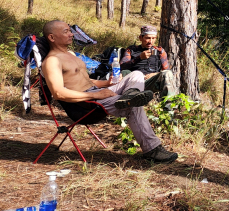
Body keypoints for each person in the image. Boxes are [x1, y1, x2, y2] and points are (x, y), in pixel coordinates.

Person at [41, 20, 178, 163]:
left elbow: (88, 81)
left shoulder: (70, 54)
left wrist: (107, 83)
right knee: (132, 105)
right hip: (86, 103)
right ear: (52, 37)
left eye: (70, 30)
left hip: (96, 93)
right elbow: (58, 93)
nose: (71, 34)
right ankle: (153, 150)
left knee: (136, 75)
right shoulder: (52, 61)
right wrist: (96, 94)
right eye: (66, 32)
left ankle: (130, 94)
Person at [120, 25, 177, 98]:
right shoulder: (131, 50)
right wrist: (139, 58)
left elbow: (166, 70)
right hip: (134, 81)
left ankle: (168, 106)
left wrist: (154, 74)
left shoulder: (159, 51)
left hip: (150, 82)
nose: (150, 41)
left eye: (153, 38)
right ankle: (129, 97)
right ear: (140, 38)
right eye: (147, 38)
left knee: (167, 74)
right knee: (124, 72)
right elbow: (122, 67)